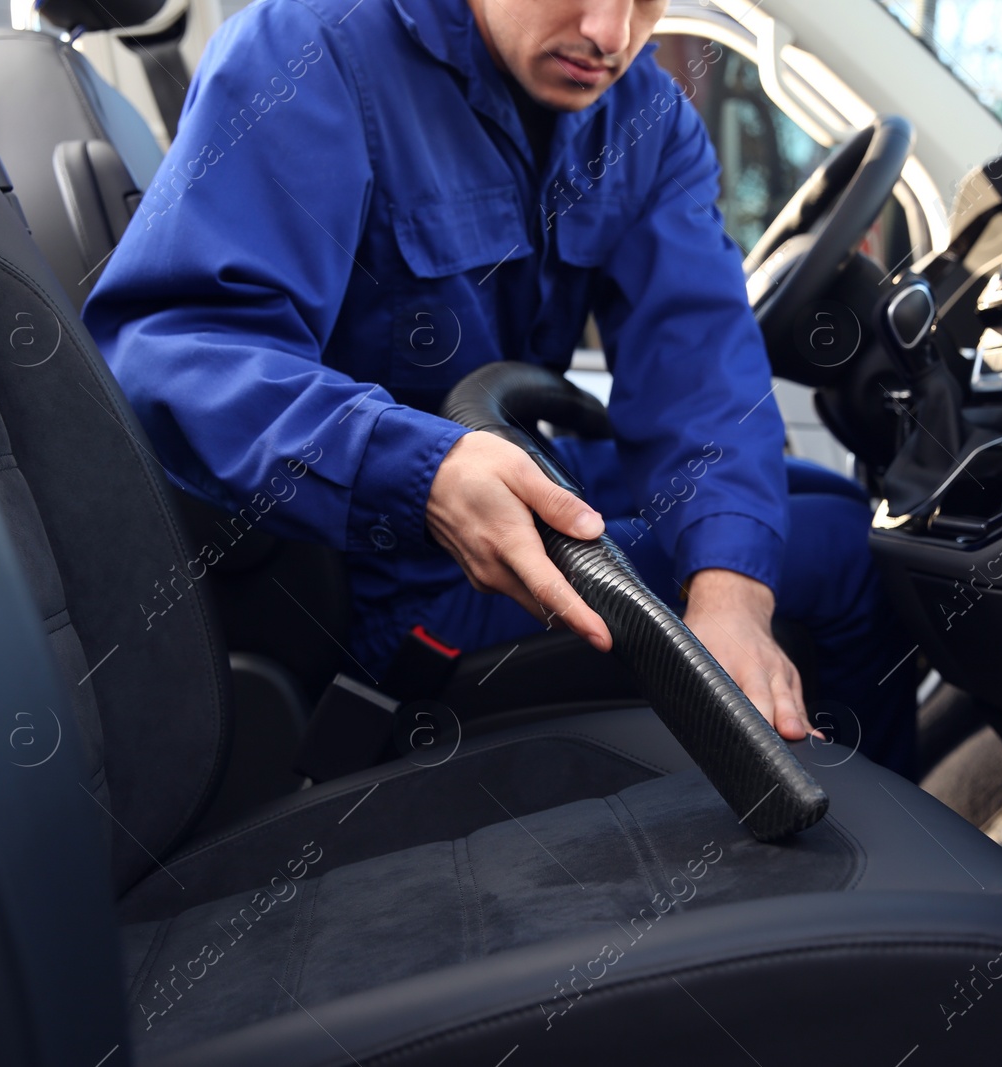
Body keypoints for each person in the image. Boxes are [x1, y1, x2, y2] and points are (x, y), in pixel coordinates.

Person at [83, 0, 917, 771]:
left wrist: (732, 592)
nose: (610, 33)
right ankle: (874, 875)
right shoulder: (312, 49)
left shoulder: (646, 117)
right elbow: (173, 347)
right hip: (402, 583)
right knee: (850, 559)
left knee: (827, 505)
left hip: (527, 475)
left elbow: (699, 360)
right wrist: (420, 470)